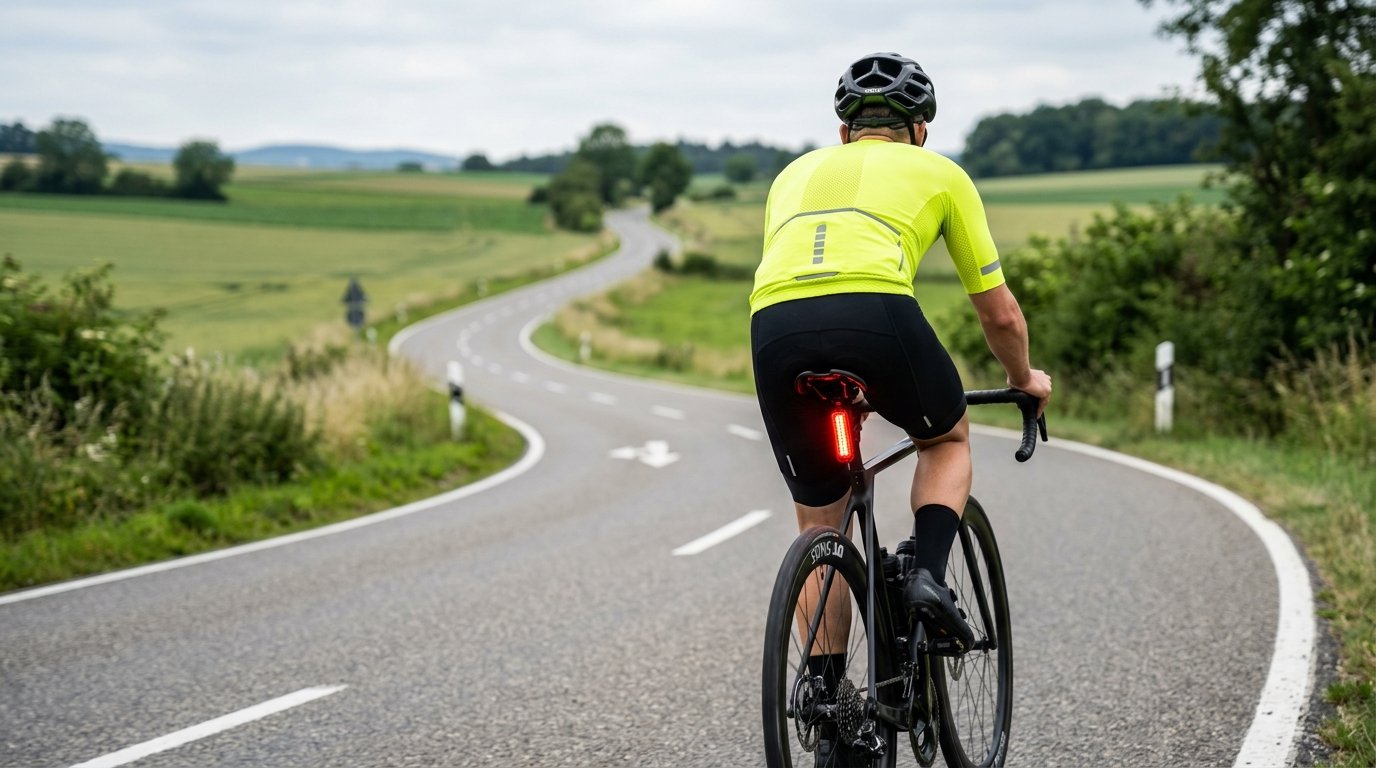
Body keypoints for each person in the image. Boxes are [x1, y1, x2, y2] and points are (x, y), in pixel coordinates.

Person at [750, 52, 1052, 765]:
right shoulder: (942, 173)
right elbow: (999, 312)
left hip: (775, 328)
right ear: (920, 129)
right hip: (877, 314)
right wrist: (1026, 378)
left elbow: (800, 276)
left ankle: (826, 698)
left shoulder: (791, 174)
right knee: (944, 439)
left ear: (844, 129)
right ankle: (927, 576)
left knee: (821, 517)